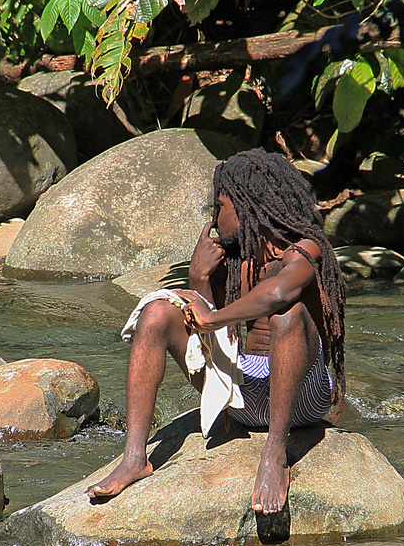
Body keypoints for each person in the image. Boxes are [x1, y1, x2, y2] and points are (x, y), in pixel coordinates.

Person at [88, 149, 346, 515]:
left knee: (287, 313)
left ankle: (275, 454)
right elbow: (211, 336)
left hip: (301, 398)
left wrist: (212, 317)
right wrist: (199, 276)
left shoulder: (304, 249)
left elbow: (278, 293)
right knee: (157, 312)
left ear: (246, 205)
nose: (214, 216)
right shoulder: (235, 258)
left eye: (220, 206)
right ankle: (134, 458)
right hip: (240, 400)